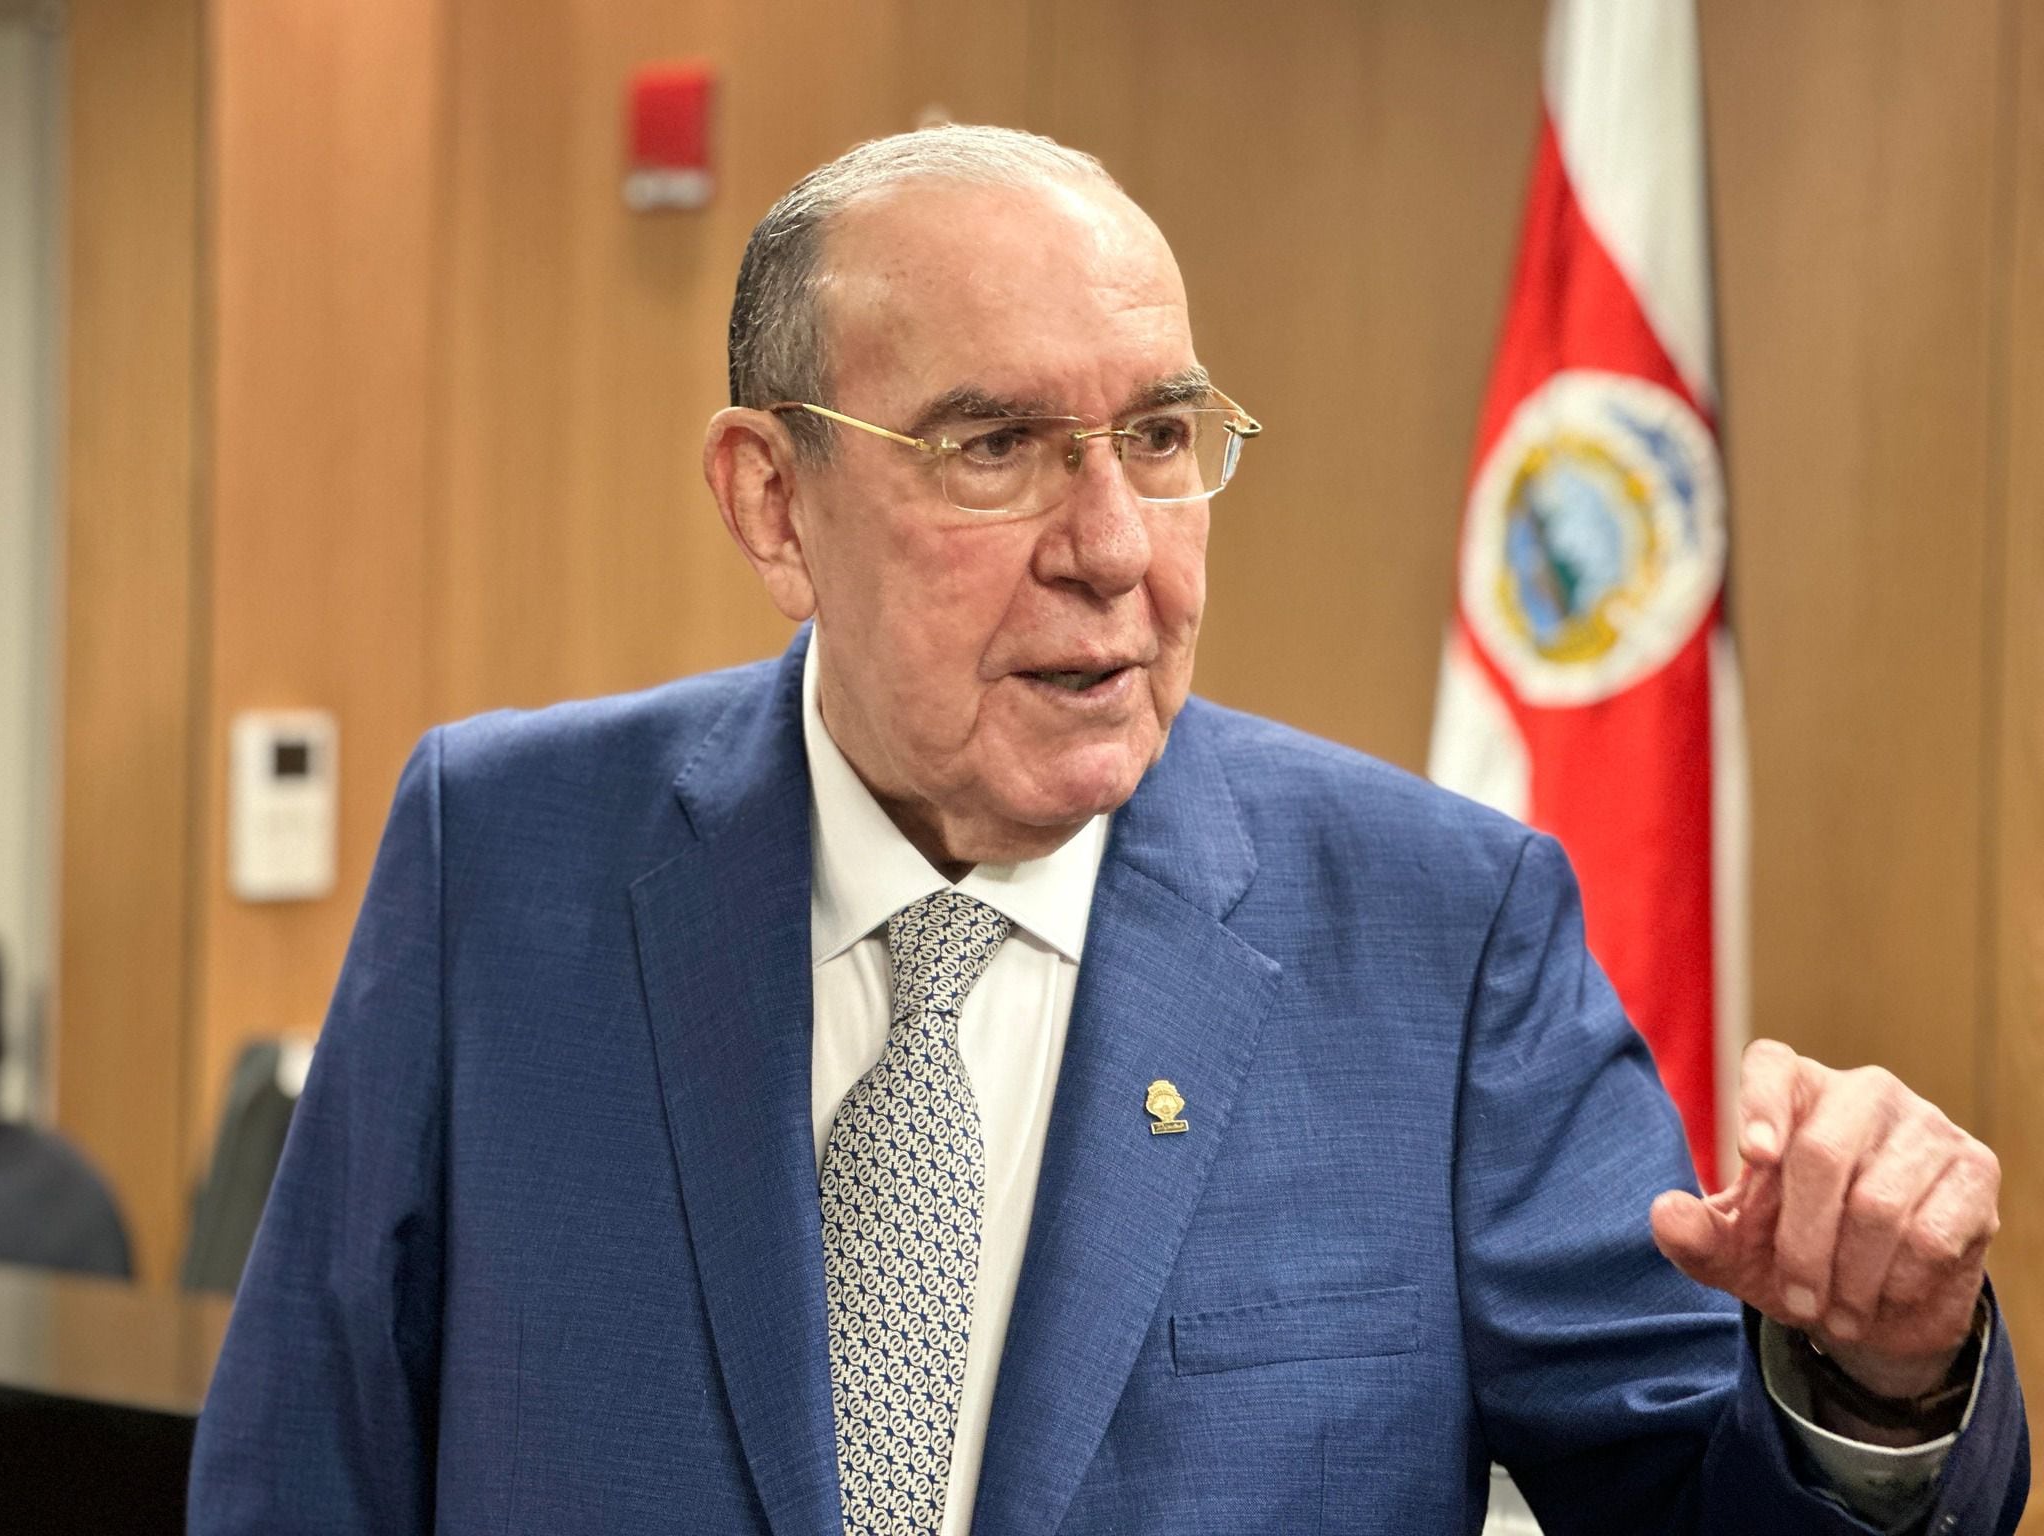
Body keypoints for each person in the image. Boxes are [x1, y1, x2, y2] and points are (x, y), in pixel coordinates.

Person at [188, 126, 2027, 1535]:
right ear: (773, 502)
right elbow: (300, 1473)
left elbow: (1691, 1497)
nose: (1116, 547)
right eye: (993, 448)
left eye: (1160, 436)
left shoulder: (1435, 935)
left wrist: (1872, 1375)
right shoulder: (499, 857)